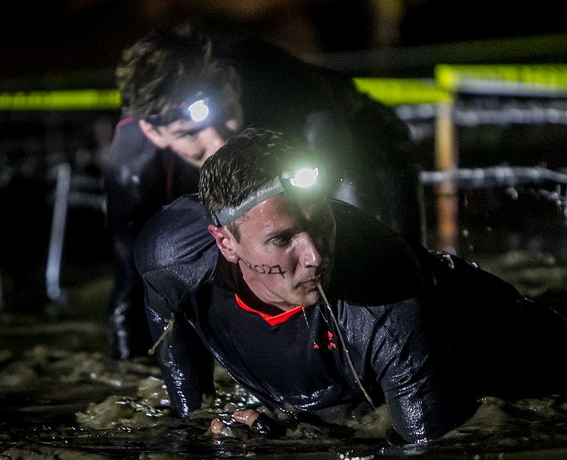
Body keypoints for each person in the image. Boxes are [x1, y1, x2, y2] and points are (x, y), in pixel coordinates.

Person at [134, 127, 567, 444]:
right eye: (283, 238)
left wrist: (298, 441)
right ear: (225, 242)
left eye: (320, 222)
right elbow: (173, 340)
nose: (314, 254)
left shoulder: (385, 294)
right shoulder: (168, 256)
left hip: (538, 359)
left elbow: (430, 458)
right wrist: (195, 427)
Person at [104, 26, 424, 360]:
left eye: (224, 115)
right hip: (277, 158)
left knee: (374, 259)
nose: (216, 144)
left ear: (233, 83)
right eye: (188, 134)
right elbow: (130, 285)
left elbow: (340, 195)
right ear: (153, 133)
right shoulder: (132, 165)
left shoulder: (273, 78)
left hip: (359, 144)